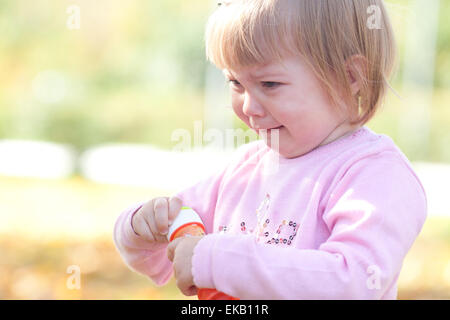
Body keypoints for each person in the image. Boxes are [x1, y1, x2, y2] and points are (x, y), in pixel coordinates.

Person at [114, 0, 427, 299]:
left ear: (351, 77)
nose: (249, 106)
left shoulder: (375, 175)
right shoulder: (245, 168)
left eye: (269, 84)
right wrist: (141, 226)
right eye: (235, 82)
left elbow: (354, 282)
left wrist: (219, 261)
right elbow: (170, 250)